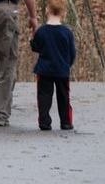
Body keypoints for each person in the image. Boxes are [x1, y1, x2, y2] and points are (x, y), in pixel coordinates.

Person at [30, 0, 75, 130]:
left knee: (44, 96)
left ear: (47, 11)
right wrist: (68, 64)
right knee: (64, 96)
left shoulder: (41, 31)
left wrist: (31, 39)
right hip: (62, 70)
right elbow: (72, 53)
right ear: (64, 13)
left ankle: (44, 121)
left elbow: (36, 47)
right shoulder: (67, 33)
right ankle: (66, 121)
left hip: (44, 70)